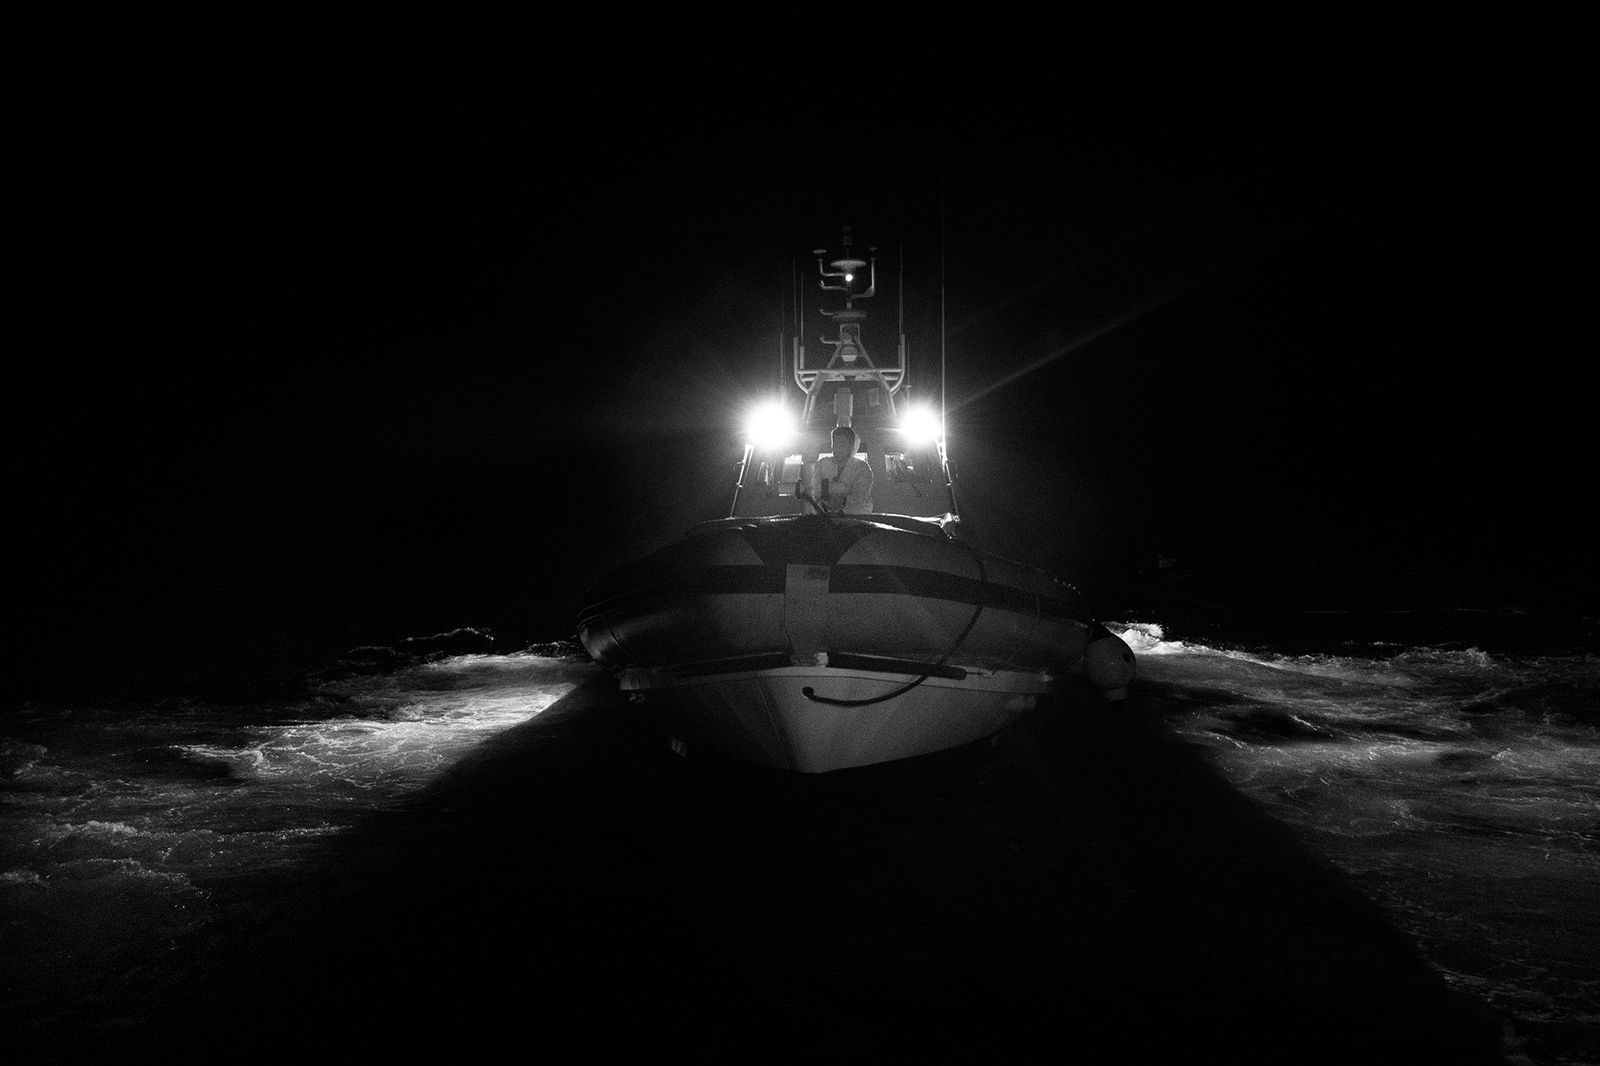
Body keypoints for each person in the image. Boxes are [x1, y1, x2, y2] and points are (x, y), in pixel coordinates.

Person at [814, 425, 874, 514]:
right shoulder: (821, 465)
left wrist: (843, 501)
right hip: (825, 518)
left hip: (856, 519)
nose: (837, 447)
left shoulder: (862, 468)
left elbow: (861, 494)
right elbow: (811, 488)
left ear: (851, 445)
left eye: (842, 443)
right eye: (835, 443)